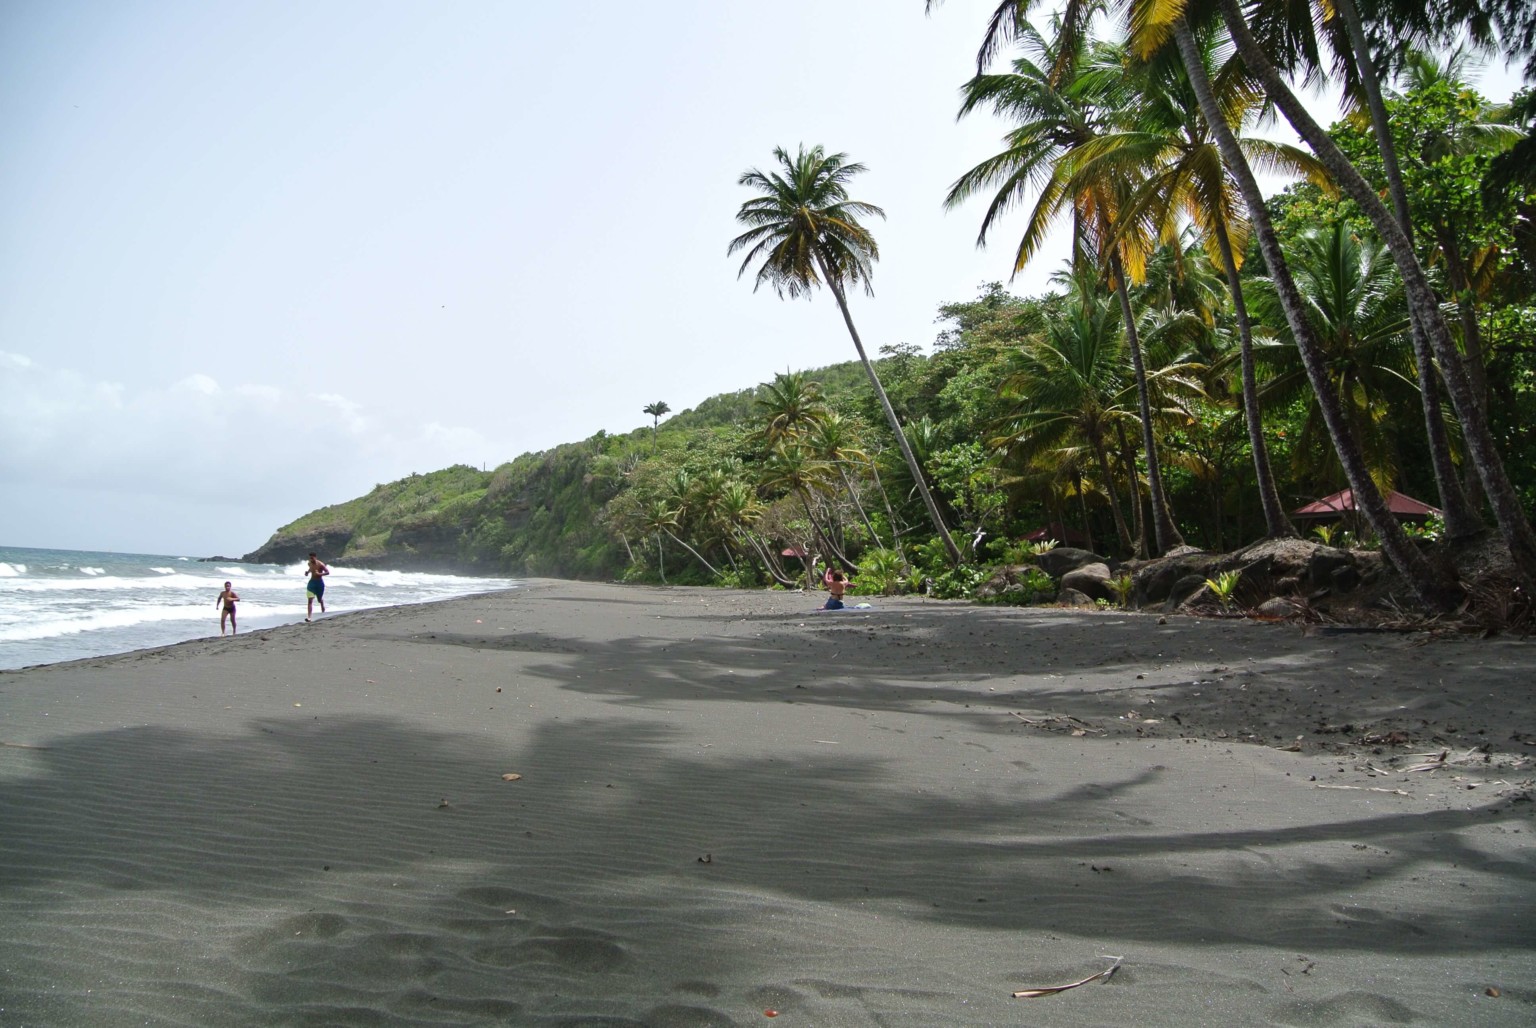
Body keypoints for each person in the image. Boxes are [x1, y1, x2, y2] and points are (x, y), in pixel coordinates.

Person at [304, 552, 329, 621]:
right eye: (310, 558)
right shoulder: (309, 563)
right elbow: (310, 568)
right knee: (310, 600)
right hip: (311, 583)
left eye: (312, 558)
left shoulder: (321, 564)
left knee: (319, 600)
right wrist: (307, 572)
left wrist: (319, 574)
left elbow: (327, 572)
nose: (311, 559)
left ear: (315, 557)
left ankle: (322, 604)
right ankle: (309, 617)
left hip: (319, 584)